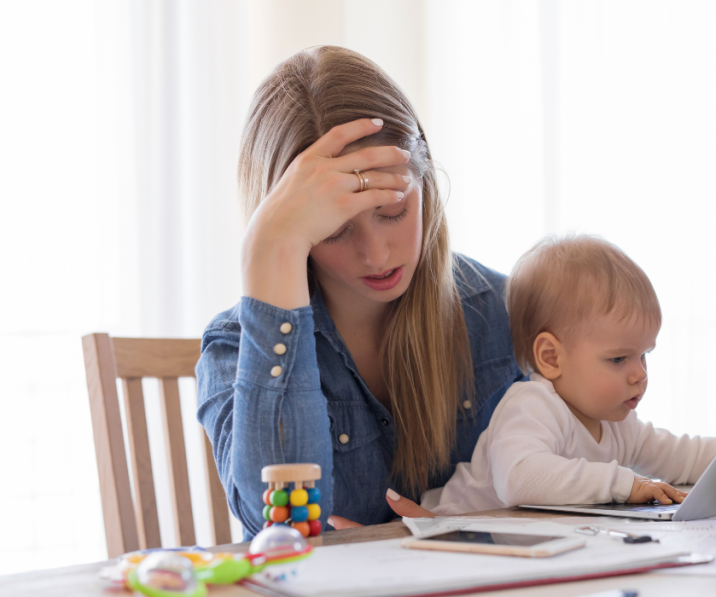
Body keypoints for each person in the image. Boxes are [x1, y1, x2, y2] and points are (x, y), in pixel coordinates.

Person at [196, 46, 523, 538]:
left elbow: (588, 480)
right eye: (334, 230)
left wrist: (456, 534)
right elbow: (281, 529)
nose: (376, 254)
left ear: (425, 182)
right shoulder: (235, 348)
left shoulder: (500, 310)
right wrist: (266, 253)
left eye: (392, 210)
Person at [420, 235, 716, 515]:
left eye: (644, 354)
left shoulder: (617, 423)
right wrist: (623, 484)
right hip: (450, 539)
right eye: (618, 358)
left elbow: (682, 455)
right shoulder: (532, 406)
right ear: (551, 357)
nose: (640, 375)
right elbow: (518, 478)